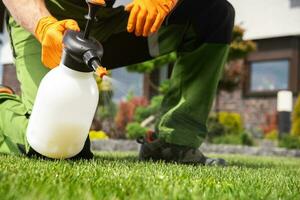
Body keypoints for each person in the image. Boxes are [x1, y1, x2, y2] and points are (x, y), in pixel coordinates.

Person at [0, 0, 235, 165]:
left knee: (213, 14)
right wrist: (43, 26)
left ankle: (174, 144)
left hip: (108, 22)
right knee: (54, 147)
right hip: (48, 20)